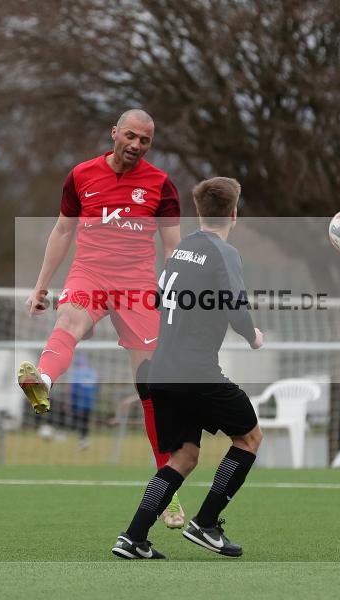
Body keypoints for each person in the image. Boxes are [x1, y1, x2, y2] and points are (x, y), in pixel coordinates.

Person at [17, 109, 185, 527]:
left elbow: (172, 243)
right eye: (130, 136)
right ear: (114, 133)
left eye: (145, 140)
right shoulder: (80, 176)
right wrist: (41, 284)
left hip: (137, 286)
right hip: (89, 273)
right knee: (68, 323)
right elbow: (62, 231)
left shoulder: (162, 185)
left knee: (151, 388)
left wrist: (171, 288)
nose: (136, 145)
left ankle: (166, 490)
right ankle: (43, 381)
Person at [112, 176, 264, 560]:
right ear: (234, 213)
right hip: (196, 371)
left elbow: (160, 299)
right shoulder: (224, 253)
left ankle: (133, 537)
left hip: (162, 369)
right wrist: (253, 336)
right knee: (248, 438)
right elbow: (235, 307)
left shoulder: (179, 251)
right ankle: (206, 523)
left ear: (198, 212)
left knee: (184, 457)